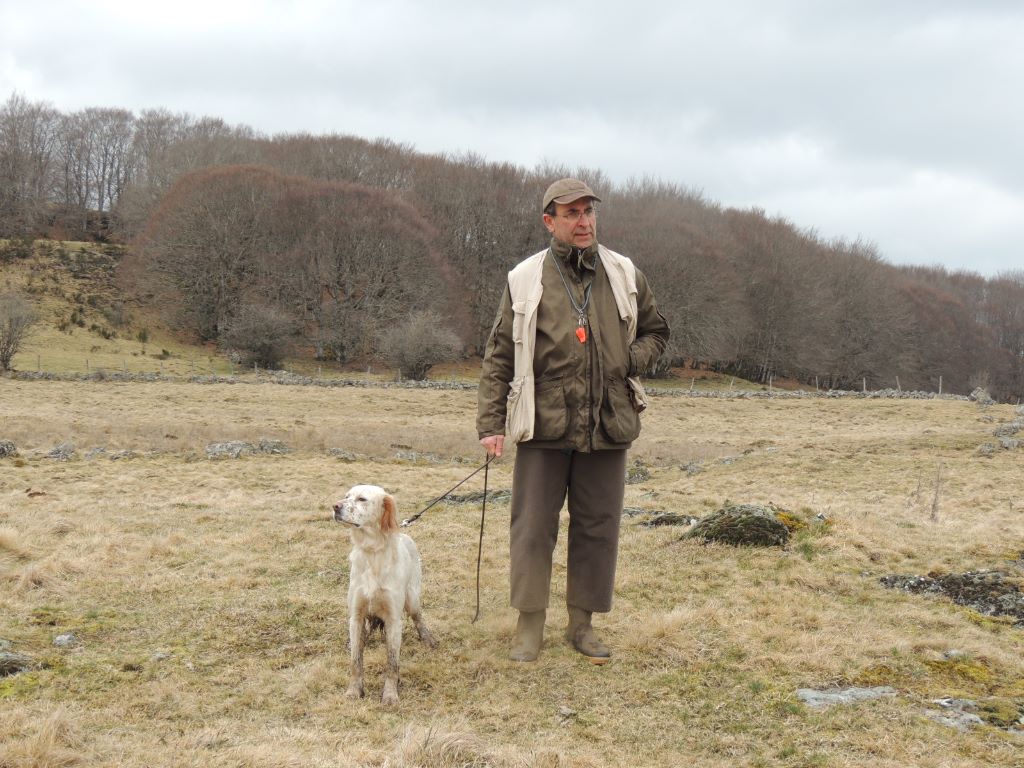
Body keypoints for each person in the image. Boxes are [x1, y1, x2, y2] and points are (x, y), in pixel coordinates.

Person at [477, 178, 670, 663]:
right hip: (543, 422)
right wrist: (491, 423)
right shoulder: (524, 278)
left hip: (608, 423)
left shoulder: (625, 273)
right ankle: (529, 626)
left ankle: (582, 625)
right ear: (550, 222)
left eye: (588, 212)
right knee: (533, 527)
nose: (583, 222)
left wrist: (629, 358)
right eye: (571, 214)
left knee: (598, 526)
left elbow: (656, 331)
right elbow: (499, 354)